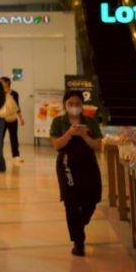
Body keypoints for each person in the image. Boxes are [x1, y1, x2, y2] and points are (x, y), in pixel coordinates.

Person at [50, 90, 103, 256]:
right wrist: (69, 133)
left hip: (88, 164)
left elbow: (98, 145)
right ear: (65, 105)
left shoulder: (90, 122)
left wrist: (85, 136)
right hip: (67, 165)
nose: (74, 106)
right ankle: (78, 241)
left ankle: (80, 223)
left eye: (78, 103)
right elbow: (57, 145)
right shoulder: (59, 122)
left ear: (82, 105)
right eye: (70, 103)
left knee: (92, 198)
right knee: (71, 202)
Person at [0, 77, 23, 165]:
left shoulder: (14, 93)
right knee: (0, 137)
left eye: (2, 82)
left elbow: (17, 106)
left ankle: (16, 155)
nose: (0, 84)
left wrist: (20, 117)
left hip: (12, 118)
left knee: (14, 137)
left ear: (7, 83)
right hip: (2, 119)